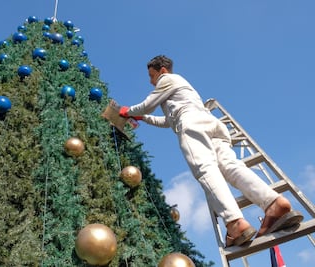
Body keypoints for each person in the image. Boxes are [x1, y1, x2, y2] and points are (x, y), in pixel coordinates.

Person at [118, 55, 303, 247]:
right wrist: (144, 118)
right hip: (212, 125)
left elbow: (149, 103)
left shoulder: (167, 79)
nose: (151, 81)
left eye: (152, 75)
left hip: (191, 123)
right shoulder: (181, 87)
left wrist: (128, 111)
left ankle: (235, 223)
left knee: (204, 168)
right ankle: (274, 203)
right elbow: (168, 121)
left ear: (162, 71)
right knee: (230, 167)